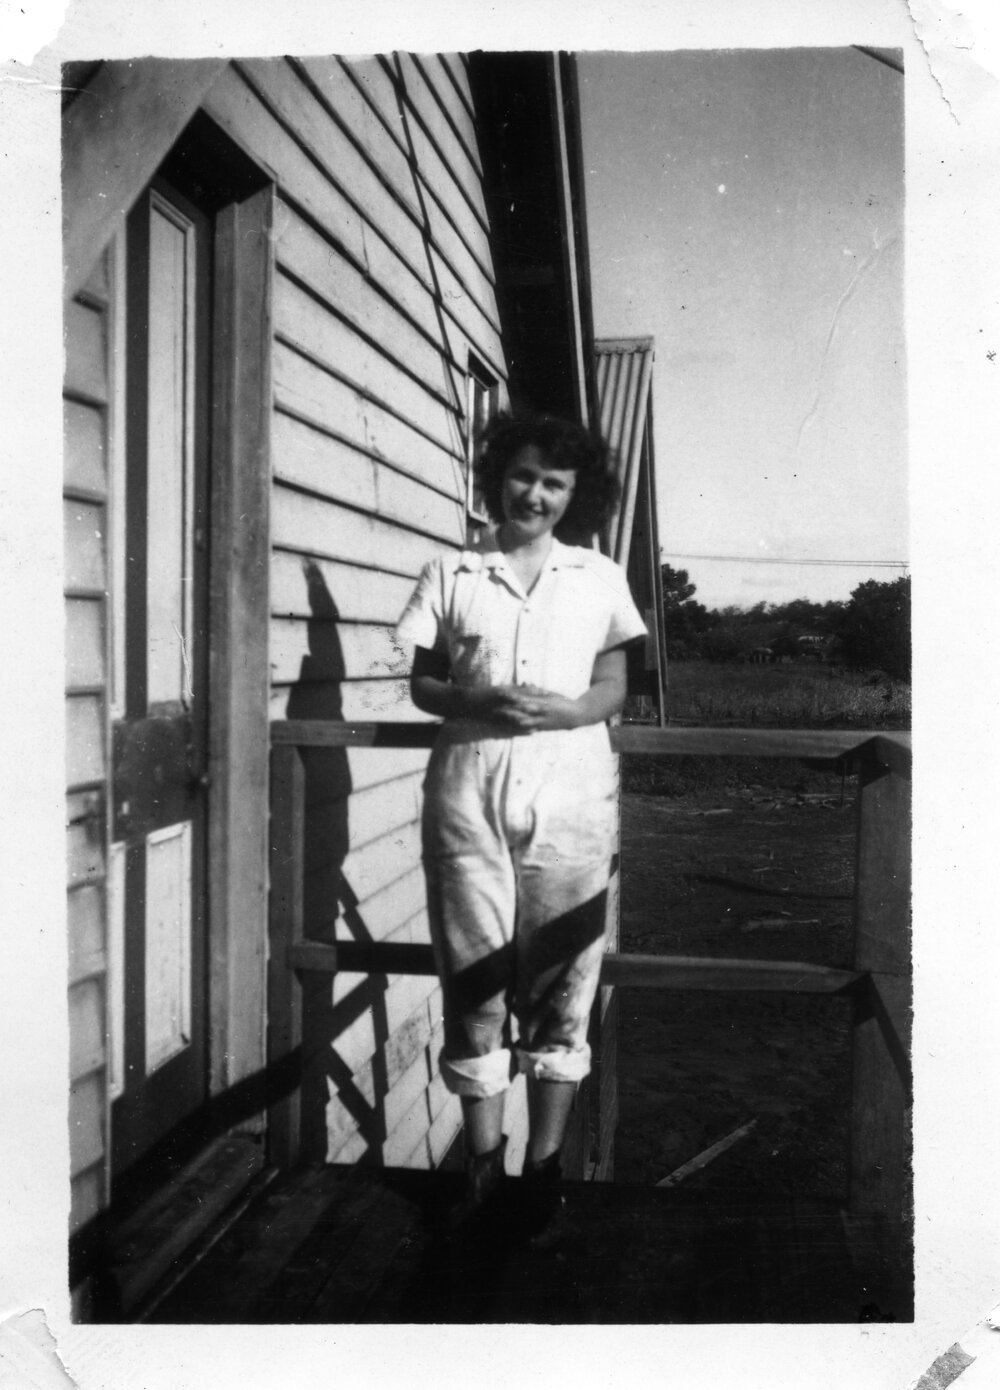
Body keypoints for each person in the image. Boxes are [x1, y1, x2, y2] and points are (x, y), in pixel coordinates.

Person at [394, 412, 647, 1242]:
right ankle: (481, 1164)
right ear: (498, 475)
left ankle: (542, 1170)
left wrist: (574, 709)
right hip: (468, 786)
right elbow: (426, 685)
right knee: (472, 975)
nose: (535, 494)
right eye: (524, 476)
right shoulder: (455, 569)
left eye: (555, 483)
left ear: (576, 495)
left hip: (571, 790)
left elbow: (615, 681)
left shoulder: (597, 574)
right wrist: (475, 700)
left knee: (564, 978)